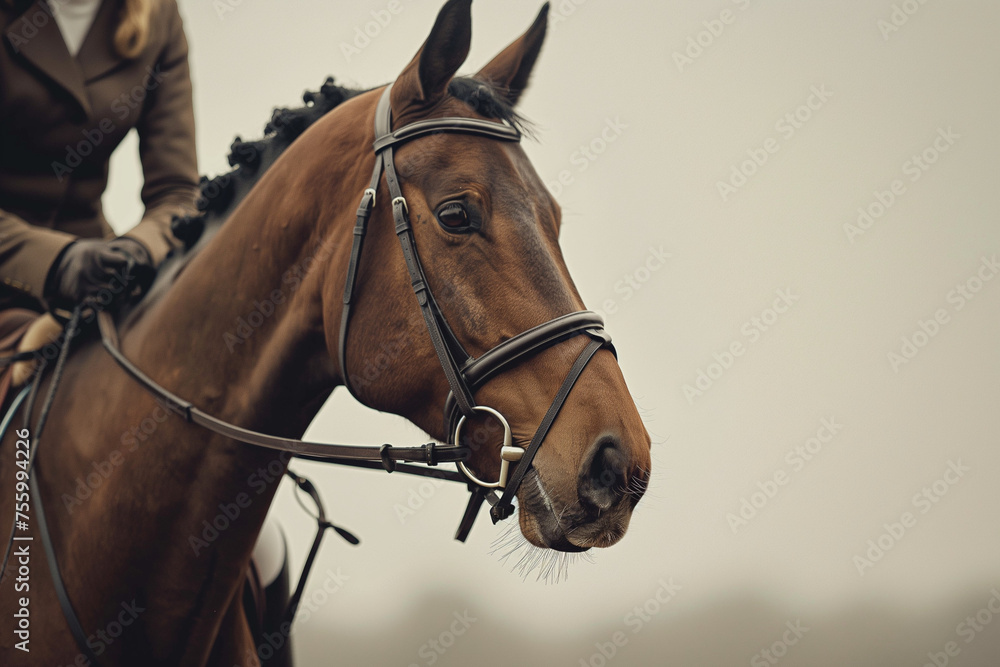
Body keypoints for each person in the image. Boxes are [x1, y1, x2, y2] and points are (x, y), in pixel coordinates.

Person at [0, 0, 198, 318]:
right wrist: (59, 261)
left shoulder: (159, 14)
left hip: (92, 277)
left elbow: (177, 193)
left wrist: (139, 248)